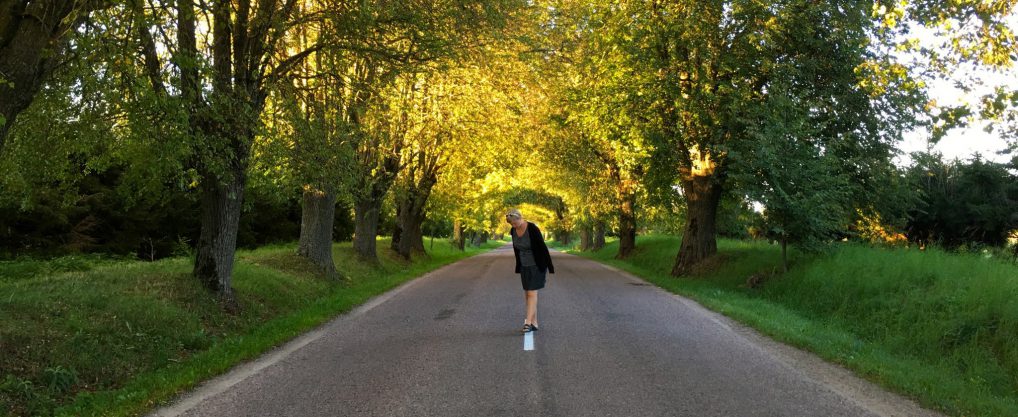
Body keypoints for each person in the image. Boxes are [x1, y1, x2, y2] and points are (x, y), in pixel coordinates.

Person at [505, 209, 554, 333]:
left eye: (515, 223)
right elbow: (517, 250)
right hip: (524, 266)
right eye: (511, 224)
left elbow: (543, 247)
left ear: (520, 218)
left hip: (536, 265)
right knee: (527, 295)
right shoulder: (513, 231)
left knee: (532, 293)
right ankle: (534, 322)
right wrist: (518, 266)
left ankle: (527, 323)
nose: (514, 226)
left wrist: (550, 266)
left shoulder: (532, 229)